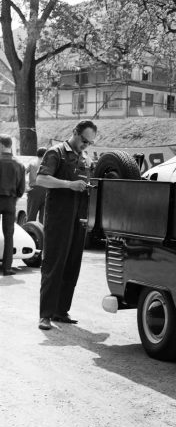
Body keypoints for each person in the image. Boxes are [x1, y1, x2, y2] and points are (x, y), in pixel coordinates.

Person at [36, 121, 96, 330]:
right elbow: (41, 179)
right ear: (74, 133)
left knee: (72, 266)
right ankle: (45, 315)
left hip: (79, 219)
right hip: (59, 219)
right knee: (53, 265)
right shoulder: (56, 153)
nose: (86, 145)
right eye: (84, 140)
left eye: (90, 143)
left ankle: (61, 311)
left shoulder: (86, 159)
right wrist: (69, 184)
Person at [0, 135, 25, 276]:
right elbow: (21, 188)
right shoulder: (19, 164)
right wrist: (14, 198)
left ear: (1, 145)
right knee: (9, 235)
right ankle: (7, 268)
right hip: (10, 202)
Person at [25, 146, 47, 223]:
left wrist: (25, 186)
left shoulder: (32, 162)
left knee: (31, 215)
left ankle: (29, 230)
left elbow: (22, 173)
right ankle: (41, 230)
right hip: (46, 190)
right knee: (43, 218)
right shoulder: (48, 164)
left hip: (34, 190)